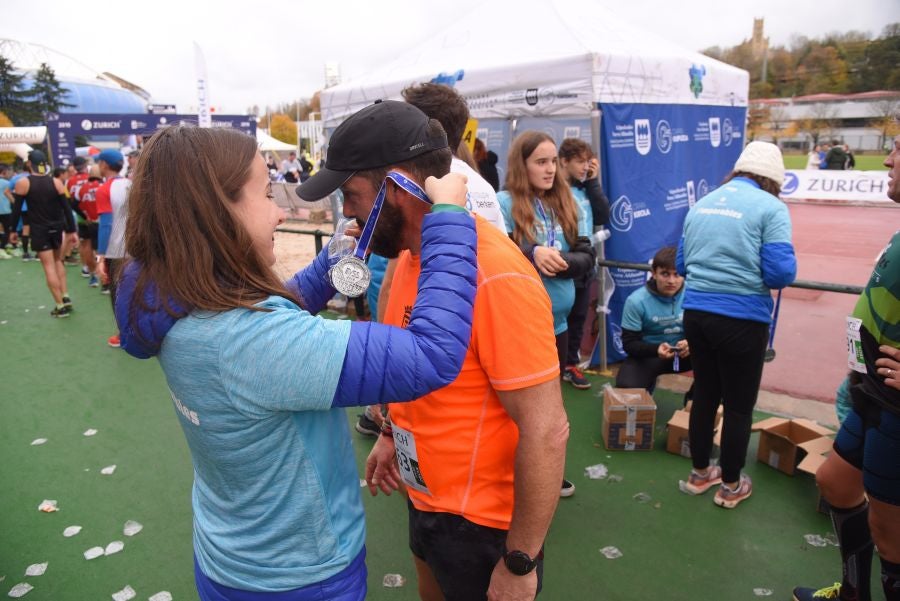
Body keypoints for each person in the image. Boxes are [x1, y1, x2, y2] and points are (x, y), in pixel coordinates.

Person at [114, 123, 479, 601]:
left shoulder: (175, 301)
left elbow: (268, 313)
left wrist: (329, 267)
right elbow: (431, 356)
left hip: (229, 558)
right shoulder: (252, 343)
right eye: (265, 194)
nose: (280, 213)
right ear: (215, 211)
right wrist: (448, 220)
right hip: (301, 577)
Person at [297, 101, 569, 601]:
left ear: (401, 186)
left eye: (352, 196)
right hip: (428, 500)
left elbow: (547, 430)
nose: (347, 213)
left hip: (484, 526)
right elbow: (414, 366)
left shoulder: (496, 273)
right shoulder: (411, 255)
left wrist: (520, 559)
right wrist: (389, 432)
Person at [792, 134, 900, 601]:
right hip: (873, 392)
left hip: (896, 406)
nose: (890, 159)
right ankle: (854, 593)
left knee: (889, 530)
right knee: (834, 481)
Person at [676, 141, 797, 508]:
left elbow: (682, 265)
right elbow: (780, 273)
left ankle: (700, 473)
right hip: (743, 318)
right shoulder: (772, 207)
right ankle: (730, 484)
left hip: (696, 314)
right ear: (773, 179)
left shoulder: (702, 203)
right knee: (740, 406)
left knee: (705, 395)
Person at [558, 137, 610, 389]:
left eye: (587, 162)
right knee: (557, 318)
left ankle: (570, 365)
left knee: (579, 317)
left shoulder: (585, 188)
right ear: (564, 162)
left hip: (585, 262)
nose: (583, 167)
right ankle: (553, 365)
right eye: (579, 162)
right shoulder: (555, 190)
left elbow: (602, 215)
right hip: (561, 263)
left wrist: (592, 181)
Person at [9, 150, 78, 317]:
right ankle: (66, 296)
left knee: (48, 266)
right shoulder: (56, 182)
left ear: (28, 164)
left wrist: (12, 230)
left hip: (40, 229)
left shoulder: (23, 183)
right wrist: (72, 230)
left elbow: (16, 210)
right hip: (57, 227)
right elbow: (67, 209)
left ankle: (60, 306)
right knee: (58, 261)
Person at [615, 246, 691, 392]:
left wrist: (692, 343)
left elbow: (709, 332)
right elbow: (629, 344)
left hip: (687, 354)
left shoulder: (695, 294)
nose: (671, 281)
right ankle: (646, 386)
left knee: (723, 364)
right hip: (650, 355)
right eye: (665, 274)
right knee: (626, 387)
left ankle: (694, 401)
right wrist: (656, 349)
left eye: (677, 274)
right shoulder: (636, 301)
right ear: (653, 273)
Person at [94, 149, 131, 346]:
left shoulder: (104, 189)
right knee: (139, 288)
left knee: (118, 293)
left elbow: (106, 224)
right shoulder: (133, 184)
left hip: (116, 250)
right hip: (136, 247)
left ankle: (123, 334)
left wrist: (100, 255)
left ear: (104, 165)